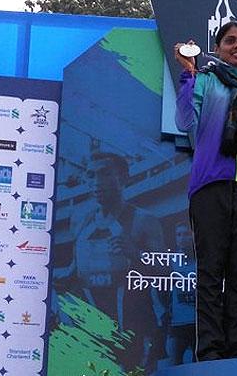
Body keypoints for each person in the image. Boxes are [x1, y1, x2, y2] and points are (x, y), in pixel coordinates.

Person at [174, 21, 237, 361]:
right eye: (230, 40)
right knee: (211, 271)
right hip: (209, 184)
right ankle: (210, 351)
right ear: (219, 47)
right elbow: (185, 122)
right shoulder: (206, 81)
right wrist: (187, 78)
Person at [58, 151, 166, 372]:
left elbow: (166, 274)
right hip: (91, 327)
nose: (97, 183)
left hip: (134, 328)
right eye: (91, 175)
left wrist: (136, 254)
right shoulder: (79, 219)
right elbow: (75, 268)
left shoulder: (144, 220)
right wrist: (59, 278)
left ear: (124, 178)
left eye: (105, 174)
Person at [165, 222, 196, 365]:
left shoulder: (204, 259)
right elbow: (156, 287)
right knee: (173, 364)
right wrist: (162, 311)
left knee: (199, 365)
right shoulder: (170, 261)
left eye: (186, 234)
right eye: (179, 235)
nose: (182, 238)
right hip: (177, 323)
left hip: (199, 323)